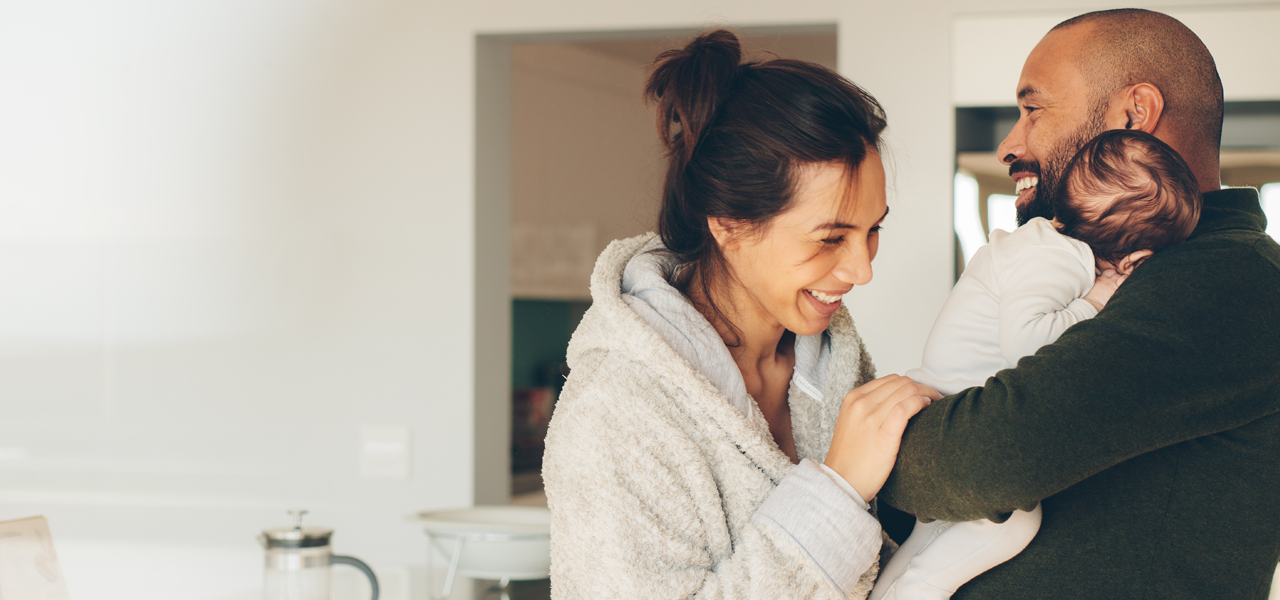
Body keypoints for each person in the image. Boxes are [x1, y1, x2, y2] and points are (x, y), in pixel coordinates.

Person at [871, 9, 1280, 599]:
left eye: (1033, 110)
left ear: (1133, 116)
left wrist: (869, 457)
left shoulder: (1227, 277)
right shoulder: (1112, 263)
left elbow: (988, 457)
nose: (1010, 144)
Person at [541, 30, 938, 599]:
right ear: (727, 224)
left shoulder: (831, 365)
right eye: (830, 238)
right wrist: (837, 490)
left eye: (873, 231)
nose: (862, 270)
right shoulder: (616, 411)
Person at [871, 129, 1202, 600]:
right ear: (1137, 259)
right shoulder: (1060, 259)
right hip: (955, 403)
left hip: (942, 403)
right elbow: (1028, 344)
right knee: (1015, 523)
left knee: (931, 537)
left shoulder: (1041, 242)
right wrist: (1095, 300)